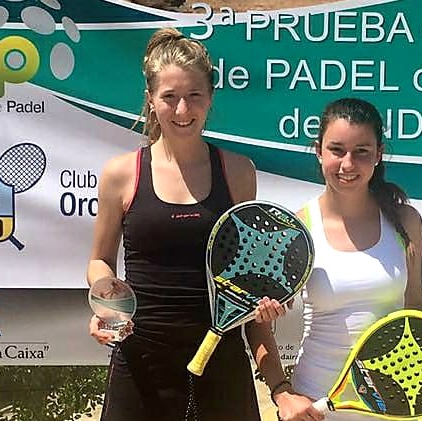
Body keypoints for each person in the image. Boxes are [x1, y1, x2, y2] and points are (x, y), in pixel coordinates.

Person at [248, 98, 422, 421]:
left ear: (378, 154)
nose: (347, 164)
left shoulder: (406, 222)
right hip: (314, 405)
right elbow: (259, 327)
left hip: (391, 403)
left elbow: (414, 305)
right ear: (319, 151)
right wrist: (282, 393)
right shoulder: (297, 231)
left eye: (361, 152)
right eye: (336, 150)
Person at [87, 28, 262, 421]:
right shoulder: (121, 173)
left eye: (194, 96)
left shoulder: (238, 172)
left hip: (222, 359)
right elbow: (99, 260)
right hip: (141, 361)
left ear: (211, 98)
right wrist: (104, 298)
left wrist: (262, 305)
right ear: (151, 100)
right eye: (169, 97)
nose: (182, 110)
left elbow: (247, 271)